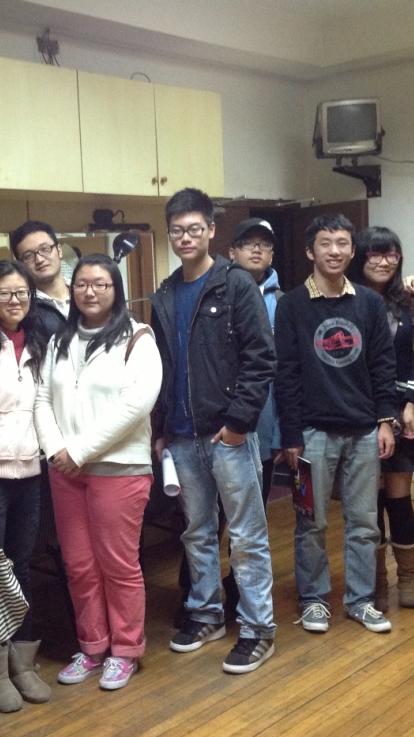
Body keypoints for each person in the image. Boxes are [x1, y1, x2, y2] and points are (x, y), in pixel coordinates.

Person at [150, 188, 277, 675]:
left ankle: (258, 629)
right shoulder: (164, 294)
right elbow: (163, 368)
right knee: (197, 533)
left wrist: (239, 424)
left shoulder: (235, 283)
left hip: (228, 435)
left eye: (194, 229)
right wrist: (161, 428)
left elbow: (261, 358)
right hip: (182, 437)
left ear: (210, 231)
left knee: (245, 535)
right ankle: (206, 616)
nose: (186, 237)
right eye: (177, 230)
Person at [35, 253, 161, 690]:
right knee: (79, 566)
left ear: (115, 290)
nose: (90, 292)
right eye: (82, 284)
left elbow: (136, 404)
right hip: (65, 469)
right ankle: (92, 646)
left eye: (100, 284)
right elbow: (42, 400)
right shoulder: (60, 340)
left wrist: (80, 450)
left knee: (118, 564)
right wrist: (56, 450)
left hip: (119, 468)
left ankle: (125, 650)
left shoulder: (137, 337)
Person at [274, 213, 398, 635]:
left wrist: (385, 421)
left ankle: (360, 601)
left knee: (364, 522)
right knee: (310, 522)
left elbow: (383, 365)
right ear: (310, 251)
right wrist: (290, 434)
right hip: (311, 434)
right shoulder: (292, 305)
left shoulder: (369, 303)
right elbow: (286, 374)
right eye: (325, 243)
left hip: (364, 432)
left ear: (352, 249)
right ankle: (313, 600)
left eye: (342, 243)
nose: (334, 251)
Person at [0, 259, 52, 709]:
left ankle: (23, 664)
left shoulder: (38, 340)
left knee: (21, 566)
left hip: (30, 471)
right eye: (4, 293)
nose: (15, 300)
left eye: (22, 292)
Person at [348, 226, 414, 611]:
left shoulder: (412, 299)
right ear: (360, 258)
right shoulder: (346, 299)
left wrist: (411, 403)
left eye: (392, 255)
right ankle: (376, 580)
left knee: (398, 498)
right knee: (368, 503)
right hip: (358, 412)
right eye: (375, 254)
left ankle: (409, 579)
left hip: (400, 411)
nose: (384, 262)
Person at [228, 218, 284, 508]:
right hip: (222, 423)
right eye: (248, 243)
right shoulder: (216, 297)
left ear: (271, 256)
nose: (256, 249)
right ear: (231, 252)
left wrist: (281, 432)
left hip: (265, 426)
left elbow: (288, 374)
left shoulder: (284, 303)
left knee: (255, 513)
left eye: (264, 244)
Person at [9, 220, 71, 341]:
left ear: (59, 250)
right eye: (28, 256)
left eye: (45, 249)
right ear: (21, 264)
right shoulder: (23, 308)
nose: (39, 260)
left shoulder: (85, 292)